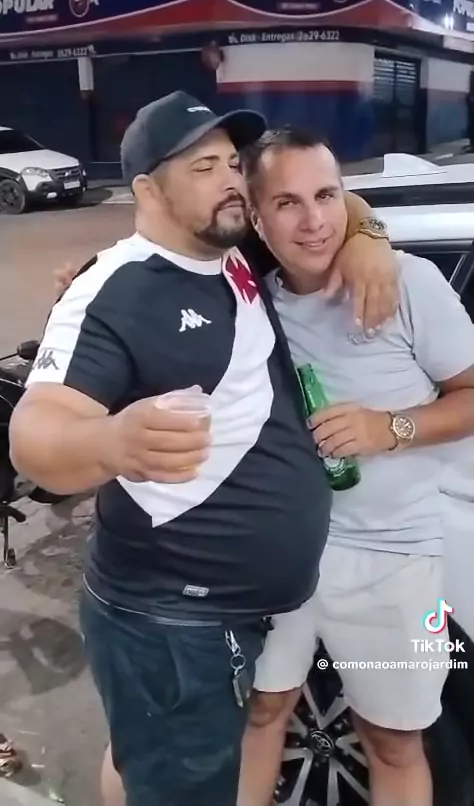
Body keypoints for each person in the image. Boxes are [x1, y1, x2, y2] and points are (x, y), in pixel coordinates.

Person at [10, 92, 397, 806]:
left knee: (155, 768)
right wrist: (108, 440)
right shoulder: (114, 290)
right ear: (147, 191)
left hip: (233, 610)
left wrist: (368, 238)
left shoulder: (231, 249)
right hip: (172, 620)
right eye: (202, 167)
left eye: (232, 163)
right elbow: (36, 431)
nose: (230, 180)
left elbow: (336, 201)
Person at [235, 127, 474, 806]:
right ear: (257, 218)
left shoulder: (409, 283)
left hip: (396, 563)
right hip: (283, 555)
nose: (314, 220)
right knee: (260, 714)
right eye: (287, 203)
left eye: (326, 196)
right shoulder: (249, 302)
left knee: (394, 742)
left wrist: (388, 428)